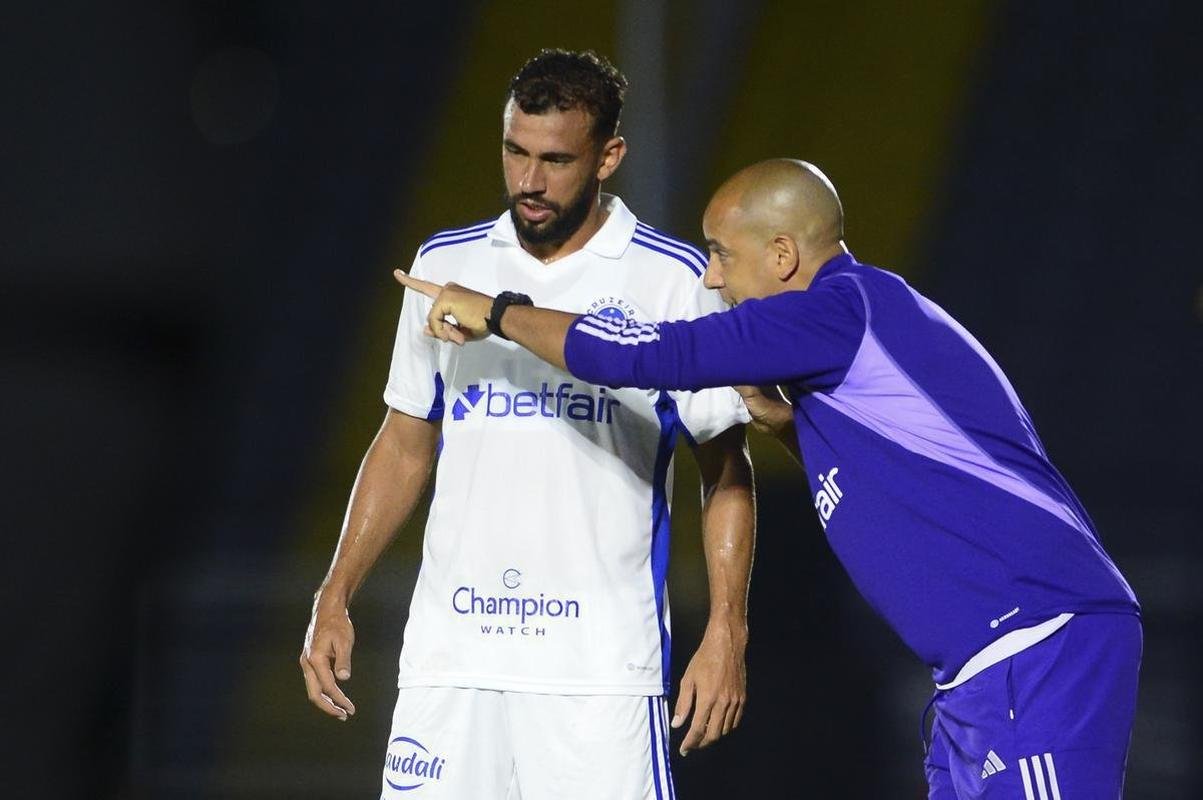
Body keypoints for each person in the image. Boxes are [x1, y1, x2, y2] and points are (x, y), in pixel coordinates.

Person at [397, 158, 1143, 799]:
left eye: (721, 254)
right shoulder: (861, 329)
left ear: (782, 253)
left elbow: (644, 353)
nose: (713, 279)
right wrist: (788, 426)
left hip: (1037, 647)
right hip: (981, 672)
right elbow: (904, 467)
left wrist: (499, 312)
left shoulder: (837, 308)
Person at [300, 50, 755, 800]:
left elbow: (725, 467)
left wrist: (726, 631)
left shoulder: (671, 280)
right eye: (515, 152)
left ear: (608, 156)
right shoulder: (445, 266)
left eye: (554, 159)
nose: (529, 182)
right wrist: (335, 590)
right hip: (452, 659)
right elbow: (405, 441)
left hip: (598, 673)